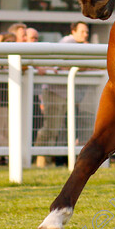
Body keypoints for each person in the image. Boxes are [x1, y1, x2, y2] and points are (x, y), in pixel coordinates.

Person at [35, 22, 90, 166]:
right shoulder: (68, 42)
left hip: (65, 93)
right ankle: (40, 160)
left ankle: (46, 160)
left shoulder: (77, 44)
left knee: (60, 128)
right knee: (51, 127)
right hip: (54, 92)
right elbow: (65, 64)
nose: (85, 34)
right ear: (73, 31)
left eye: (87, 32)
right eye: (83, 31)